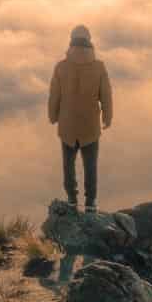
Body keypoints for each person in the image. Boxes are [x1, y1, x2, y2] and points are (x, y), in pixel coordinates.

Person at [47, 25, 113, 213]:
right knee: (90, 166)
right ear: (89, 41)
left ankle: (71, 199)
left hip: (67, 125)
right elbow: (106, 95)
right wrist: (107, 117)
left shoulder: (61, 67)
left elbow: (54, 95)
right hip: (90, 126)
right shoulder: (99, 67)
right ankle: (91, 203)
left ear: (71, 41)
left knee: (68, 165)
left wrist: (52, 115)